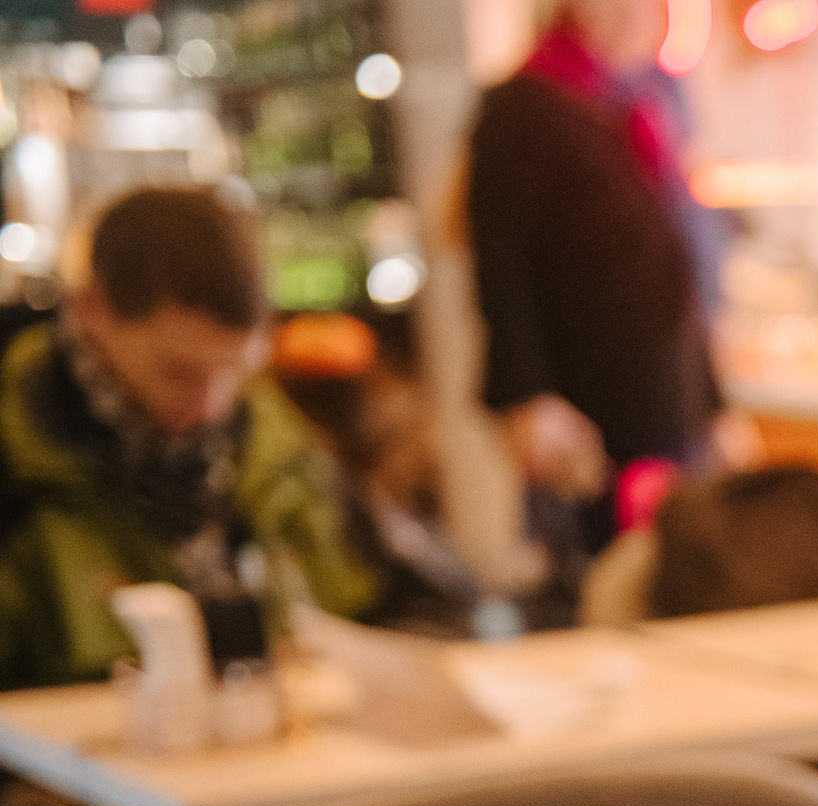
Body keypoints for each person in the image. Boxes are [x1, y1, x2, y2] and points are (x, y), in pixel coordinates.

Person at [0, 185, 374, 691]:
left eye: (233, 372)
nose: (210, 405)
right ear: (90, 311)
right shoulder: (19, 455)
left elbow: (387, 607)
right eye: (179, 372)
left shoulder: (276, 437)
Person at [464, 0, 742, 559]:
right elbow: (501, 265)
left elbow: (673, 268)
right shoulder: (523, 107)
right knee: (612, 588)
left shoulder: (628, 101)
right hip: (594, 421)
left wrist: (716, 405)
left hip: (670, 406)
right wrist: (528, 398)